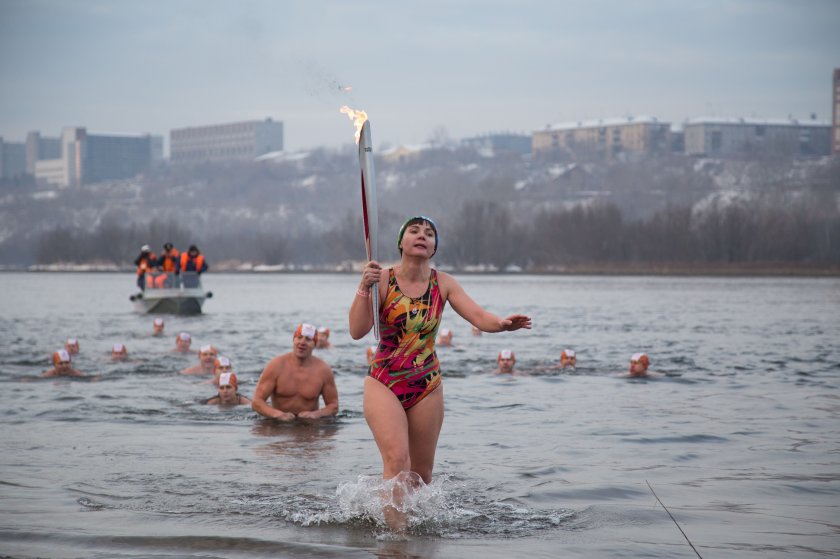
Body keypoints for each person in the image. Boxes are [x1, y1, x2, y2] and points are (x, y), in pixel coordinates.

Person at [349, 215, 531, 530]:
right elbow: (356, 331)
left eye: (429, 233)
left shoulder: (443, 283)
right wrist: (364, 288)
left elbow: (478, 315)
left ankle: (416, 532)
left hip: (427, 384)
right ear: (401, 242)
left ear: (434, 246)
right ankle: (398, 539)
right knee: (396, 460)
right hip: (384, 380)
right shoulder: (381, 278)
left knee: (421, 475)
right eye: (415, 231)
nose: (422, 236)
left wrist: (501, 325)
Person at [251, 323, 339, 421]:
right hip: (278, 425)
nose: (302, 342)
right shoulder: (276, 365)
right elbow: (257, 402)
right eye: (299, 337)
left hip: (309, 426)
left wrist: (316, 414)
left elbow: (333, 406)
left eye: (308, 339)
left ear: (315, 344)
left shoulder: (323, 370)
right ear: (293, 340)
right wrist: (278, 415)